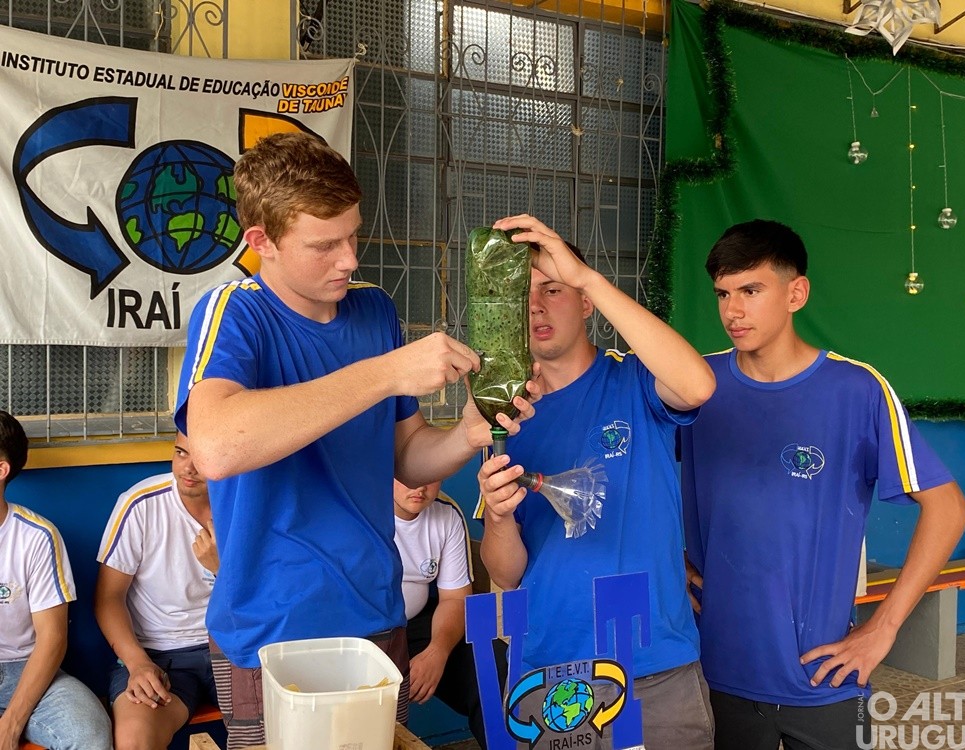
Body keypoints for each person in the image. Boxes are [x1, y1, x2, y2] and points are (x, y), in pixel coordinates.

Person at [174, 131, 536, 749]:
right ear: (262, 242)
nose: (349, 259)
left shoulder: (375, 312)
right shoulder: (235, 312)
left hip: (373, 611)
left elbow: (405, 452)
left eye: (354, 235)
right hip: (269, 626)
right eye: (325, 244)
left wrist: (467, 433)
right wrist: (386, 373)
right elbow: (215, 445)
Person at [680, 219, 965, 750]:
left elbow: (949, 507)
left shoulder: (855, 390)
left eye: (750, 290)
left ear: (797, 293)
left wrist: (882, 630)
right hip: (711, 671)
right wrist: (666, 558)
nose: (732, 310)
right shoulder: (697, 385)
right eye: (723, 293)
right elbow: (637, 477)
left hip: (825, 678)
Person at [476, 214, 717, 748]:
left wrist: (586, 276)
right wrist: (497, 516)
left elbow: (697, 385)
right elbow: (507, 572)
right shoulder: (507, 417)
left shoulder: (633, 380)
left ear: (586, 301)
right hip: (546, 673)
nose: (535, 305)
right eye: (523, 293)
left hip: (652, 672)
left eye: (553, 288)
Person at [94, 431, 217, 750]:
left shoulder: (247, 501)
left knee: (294, 718)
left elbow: (268, 600)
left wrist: (223, 568)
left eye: (201, 456)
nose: (188, 468)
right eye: (180, 453)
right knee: (135, 740)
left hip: (233, 648)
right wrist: (138, 664)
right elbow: (108, 599)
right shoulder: (141, 503)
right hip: (160, 656)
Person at [0, 410, 113, 750]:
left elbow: (52, 639)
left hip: (27, 669)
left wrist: (11, 723)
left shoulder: (36, 537)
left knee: (91, 733)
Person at [393, 478, 504, 750]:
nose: (418, 486)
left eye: (431, 473)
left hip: (418, 623)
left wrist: (437, 652)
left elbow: (454, 598)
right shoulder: (362, 508)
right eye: (406, 475)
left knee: (496, 666)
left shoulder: (446, 512)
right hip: (363, 628)